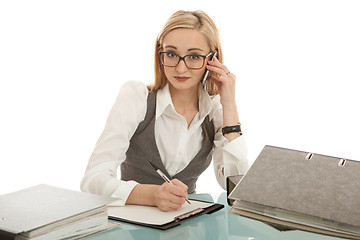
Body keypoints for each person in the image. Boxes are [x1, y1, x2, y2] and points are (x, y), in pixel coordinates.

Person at [80, 10, 249, 212]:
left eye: (194, 56)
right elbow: (92, 180)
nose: (180, 68)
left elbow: (238, 190)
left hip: (188, 224)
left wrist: (229, 105)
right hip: (134, 226)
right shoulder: (136, 96)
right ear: (160, 54)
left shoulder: (214, 110)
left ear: (212, 59)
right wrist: (152, 195)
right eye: (171, 54)